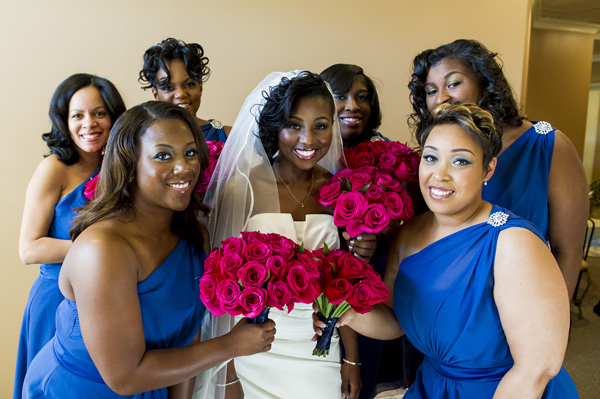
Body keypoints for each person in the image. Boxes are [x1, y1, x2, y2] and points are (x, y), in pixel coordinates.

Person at [316, 103, 578, 398]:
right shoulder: (408, 234)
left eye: (460, 161)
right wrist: (350, 313)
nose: (439, 174)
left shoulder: (514, 242)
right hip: (433, 387)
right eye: (431, 158)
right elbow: (395, 322)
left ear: (488, 168)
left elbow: (537, 368)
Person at [22, 101, 275, 399]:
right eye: (163, 155)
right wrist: (231, 345)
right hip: (82, 390)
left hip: (154, 386)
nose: (184, 167)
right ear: (130, 165)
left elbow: (187, 334)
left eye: (190, 153)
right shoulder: (101, 249)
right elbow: (125, 378)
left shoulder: (195, 237)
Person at [198, 71, 370, 399]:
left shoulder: (339, 191)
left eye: (320, 126)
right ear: (275, 126)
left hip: (319, 352)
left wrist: (351, 359)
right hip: (253, 353)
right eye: (294, 125)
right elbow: (216, 300)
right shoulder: (243, 187)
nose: (308, 139)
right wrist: (228, 374)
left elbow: (344, 282)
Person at [408, 39, 588, 299]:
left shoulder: (547, 145)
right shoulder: (434, 154)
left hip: (523, 301)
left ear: (484, 82)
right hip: (445, 303)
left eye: (453, 83)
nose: (441, 98)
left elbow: (569, 250)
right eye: (431, 90)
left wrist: (555, 321)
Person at [14, 73, 126, 399]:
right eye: (77, 115)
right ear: (65, 121)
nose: (88, 123)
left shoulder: (122, 170)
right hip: (54, 301)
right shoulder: (54, 169)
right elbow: (29, 249)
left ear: (115, 118)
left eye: (99, 113)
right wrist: (95, 251)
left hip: (104, 304)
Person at [321, 63, 418, 398]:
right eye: (341, 96)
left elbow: (405, 229)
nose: (353, 105)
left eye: (362, 97)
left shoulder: (384, 153)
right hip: (318, 281)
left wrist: (376, 237)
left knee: (358, 381)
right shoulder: (308, 151)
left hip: (367, 285)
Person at [139, 37, 231, 142]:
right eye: (168, 88)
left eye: (189, 84)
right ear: (155, 94)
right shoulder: (144, 140)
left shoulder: (228, 136)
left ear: (200, 87)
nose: (181, 94)